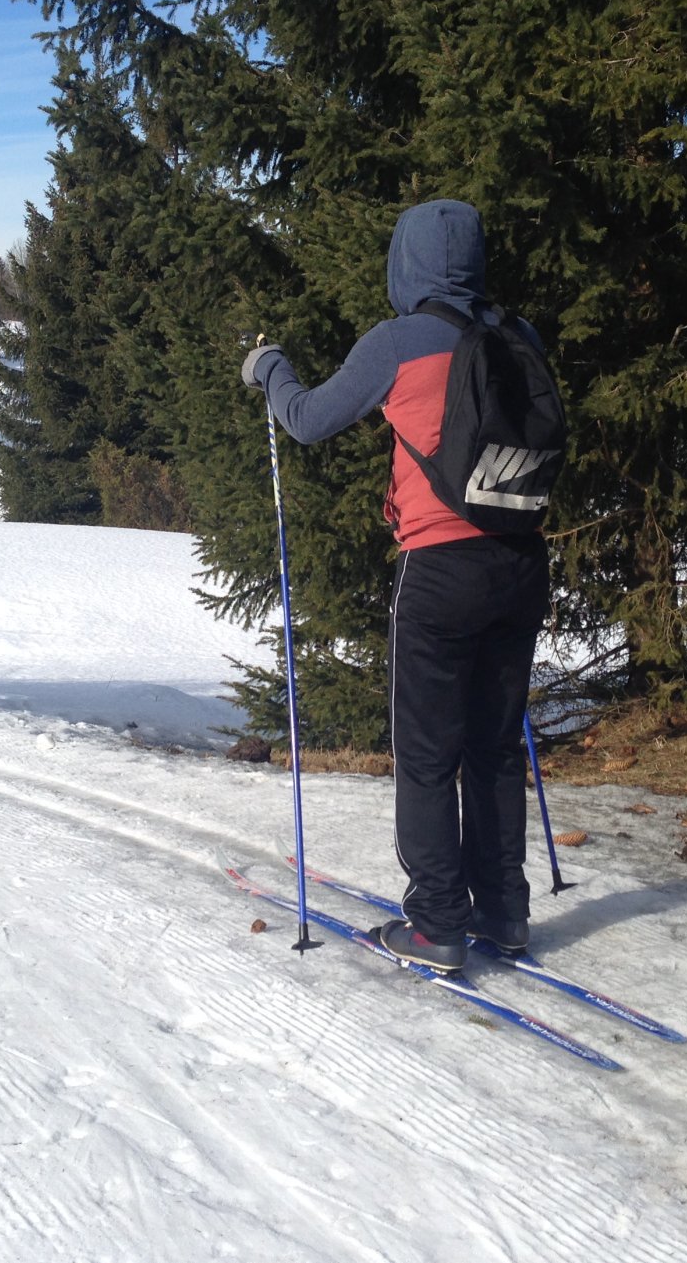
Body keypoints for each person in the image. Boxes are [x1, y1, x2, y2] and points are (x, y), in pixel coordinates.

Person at [241, 199, 554, 972]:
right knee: (493, 747)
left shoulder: (399, 342)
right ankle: (505, 912)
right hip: (521, 562)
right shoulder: (519, 337)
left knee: (425, 753)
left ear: (407, 262)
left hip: (441, 571)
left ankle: (438, 924)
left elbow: (310, 419)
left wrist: (269, 367)